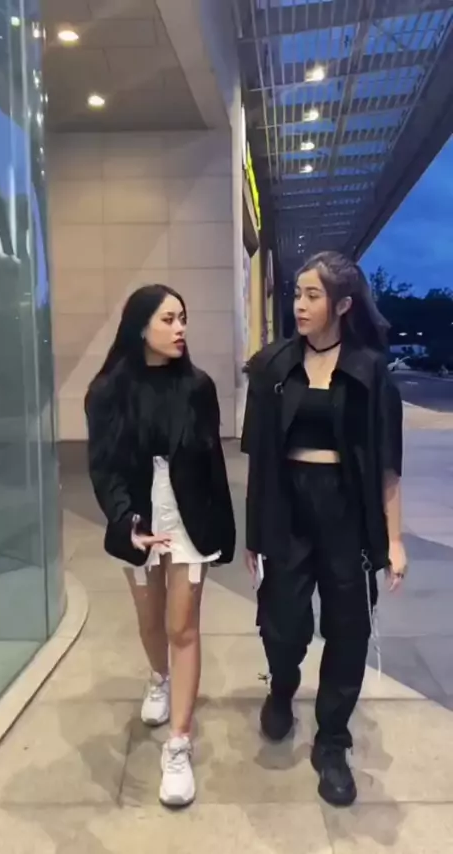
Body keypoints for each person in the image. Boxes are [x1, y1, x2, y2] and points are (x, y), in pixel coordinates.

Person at [241, 251, 406, 808]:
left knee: (348, 630)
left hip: (346, 514)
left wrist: (395, 539)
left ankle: (332, 741)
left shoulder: (370, 372)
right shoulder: (272, 366)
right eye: (297, 294)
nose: (300, 305)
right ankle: (282, 686)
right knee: (282, 622)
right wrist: (254, 533)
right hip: (287, 508)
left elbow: (387, 465)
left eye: (312, 295)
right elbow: (259, 459)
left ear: (342, 304)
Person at [85, 284, 235, 808]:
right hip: (139, 519)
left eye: (183, 318)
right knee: (150, 622)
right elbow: (103, 467)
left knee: (182, 626)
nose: (180, 328)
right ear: (140, 325)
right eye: (169, 319)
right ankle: (159, 678)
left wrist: (224, 533)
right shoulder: (107, 391)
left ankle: (178, 744)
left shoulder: (198, 387)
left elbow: (213, 464)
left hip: (190, 519)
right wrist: (125, 520)